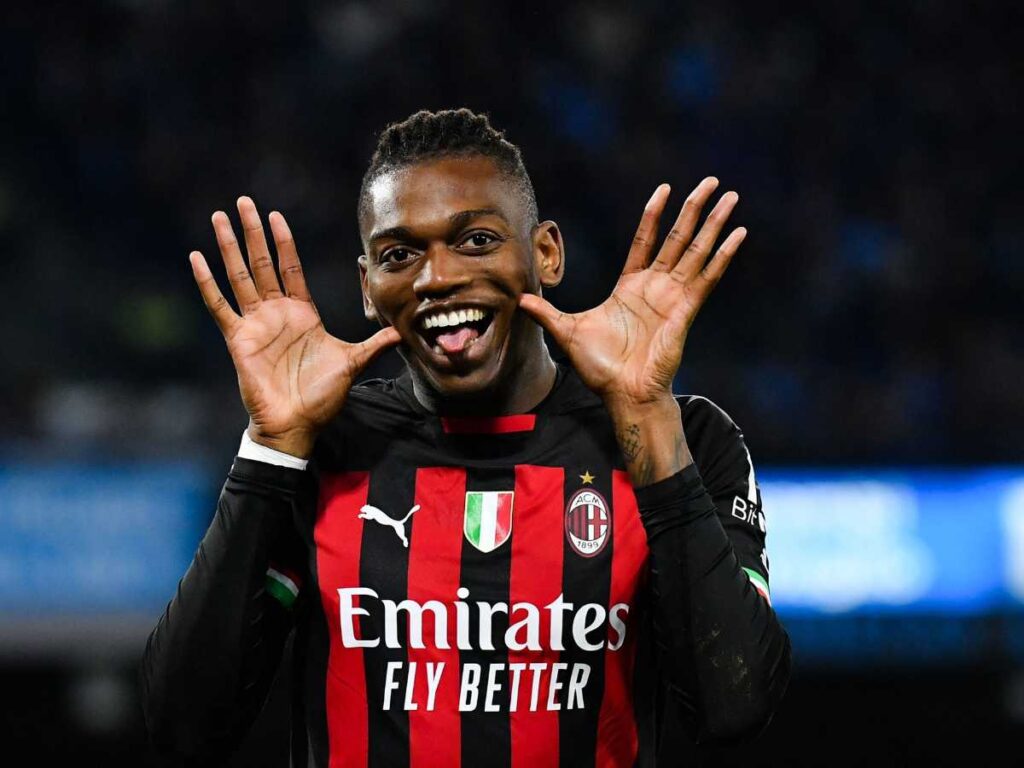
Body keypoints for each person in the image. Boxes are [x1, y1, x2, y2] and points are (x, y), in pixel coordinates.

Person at [140, 108, 790, 767]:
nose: (437, 277)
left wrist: (646, 417)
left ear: (545, 253)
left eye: (476, 240)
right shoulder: (323, 446)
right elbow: (184, 725)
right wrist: (271, 448)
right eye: (400, 254)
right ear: (369, 289)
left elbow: (732, 708)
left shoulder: (685, 437)